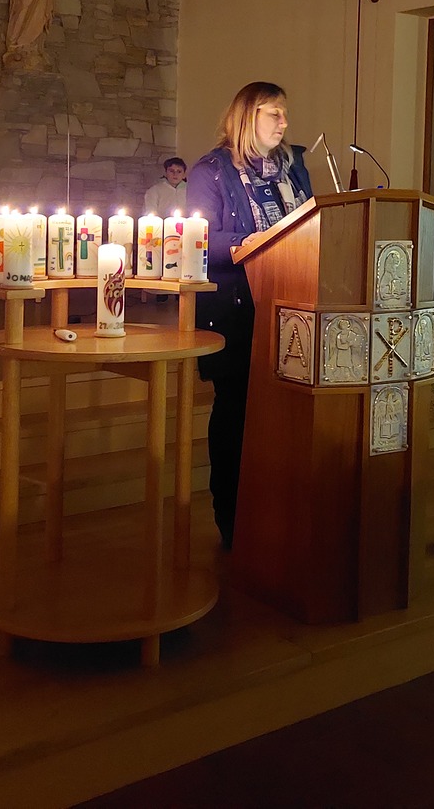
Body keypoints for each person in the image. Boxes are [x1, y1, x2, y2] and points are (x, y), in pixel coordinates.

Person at [186, 82, 313, 548]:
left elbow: (311, 223)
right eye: (273, 113)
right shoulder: (212, 171)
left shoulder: (294, 168)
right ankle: (233, 519)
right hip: (237, 311)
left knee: (286, 419)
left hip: (294, 308)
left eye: (285, 113)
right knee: (236, 413)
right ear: (246, 116)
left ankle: (279, 512)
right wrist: (249, 243)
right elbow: (198, 238)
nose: (284, 122)